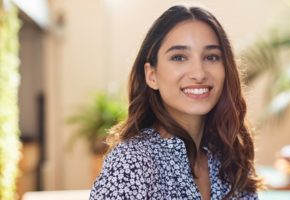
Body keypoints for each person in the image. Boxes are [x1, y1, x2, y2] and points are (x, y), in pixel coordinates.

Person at [90, 5, 261, 200]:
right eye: (179, 57)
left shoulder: (231, 158)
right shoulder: (132, 162)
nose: (199, 73)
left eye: (211, 57)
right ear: (151, 75)